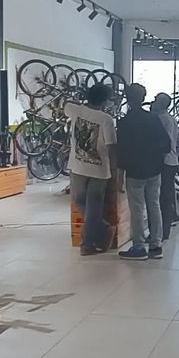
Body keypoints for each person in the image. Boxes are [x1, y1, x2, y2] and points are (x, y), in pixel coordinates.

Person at [117, 83, 170, 260]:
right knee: (154, 205)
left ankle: (139, 247)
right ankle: (156, 245)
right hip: (154, 170)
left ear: (127, 99)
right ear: (144, 97)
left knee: (137, 209)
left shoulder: (125, 123)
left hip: (135, 172)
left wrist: (120, 176)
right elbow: (166, 144)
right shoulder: (153, 119)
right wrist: (157, 159)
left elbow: (122, 151)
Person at [65, 84, 116, 256]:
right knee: (92, 206)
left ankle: (87, 244)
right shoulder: (106, 119)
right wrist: (115, 170)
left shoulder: (75, 110)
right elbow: (111, 147)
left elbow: (66, 103)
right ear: (105, 101)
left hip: (78, 167)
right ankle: (103, 229)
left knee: (81, 202)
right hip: (99, 171)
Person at [152, 92, 179, 240]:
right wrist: (175, 153)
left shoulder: (159, 119)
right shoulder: (171, 119)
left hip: (163, 162)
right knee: (169, 193)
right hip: (172, 161)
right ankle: (173, 217)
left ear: (160, 103)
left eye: (156, 100)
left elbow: (160, 141)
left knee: (161, 197)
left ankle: (162, 231)